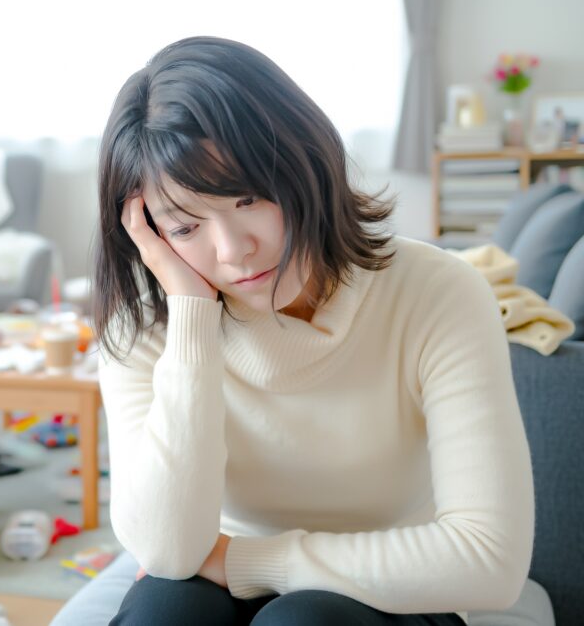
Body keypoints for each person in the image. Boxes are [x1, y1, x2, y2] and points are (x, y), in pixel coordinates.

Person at [85, 37, 534, 625]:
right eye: (186, 226)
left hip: (394, 590)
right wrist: (192, 321)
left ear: (305, 160)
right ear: (151, 234)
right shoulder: (147, 327)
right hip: (215, 581)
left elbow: (489, 560)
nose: (234, 250)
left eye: (249, 198)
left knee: (300, 622)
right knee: (160, 610)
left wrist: (245, 561)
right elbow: (168, 553)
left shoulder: (436, 292)